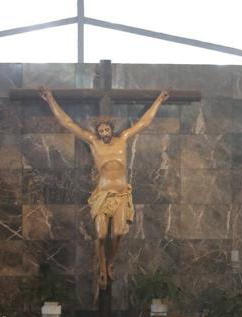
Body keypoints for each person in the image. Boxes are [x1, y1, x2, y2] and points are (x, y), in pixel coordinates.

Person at [40, 87, 171, 288]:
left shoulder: (123, 139)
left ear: (111, 129)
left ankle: (110, 262)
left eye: (106, 130)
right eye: (100, 131)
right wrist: (50, 100)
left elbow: (144, 122)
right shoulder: (93, 142)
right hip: (102, 194)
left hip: (121, 194)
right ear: (97, 132)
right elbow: (67, 123)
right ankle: (102, 269)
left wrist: (159, 101)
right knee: (101, 235)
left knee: (118, 233)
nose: (104, 133)